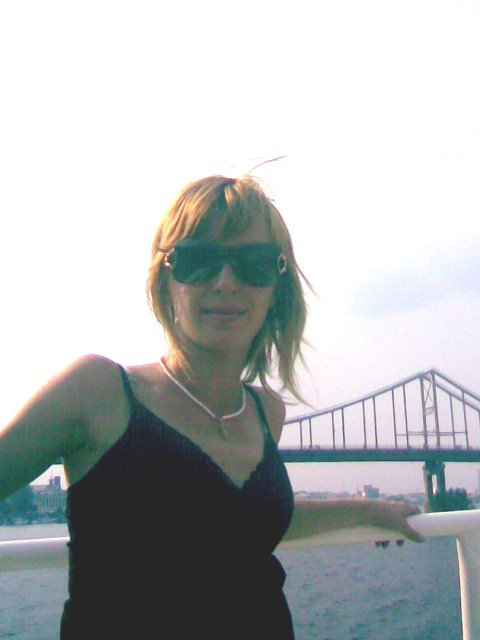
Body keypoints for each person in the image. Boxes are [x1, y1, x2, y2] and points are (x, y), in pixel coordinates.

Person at [0, 175, 422, 639]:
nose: (225, 282)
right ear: (165, 280)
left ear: (276, 289)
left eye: (253, 264)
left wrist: (366, 509)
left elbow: (236, 519)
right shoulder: (99, 391)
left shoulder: (265, 411)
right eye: (199, 261)